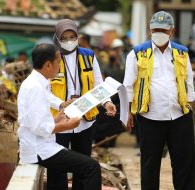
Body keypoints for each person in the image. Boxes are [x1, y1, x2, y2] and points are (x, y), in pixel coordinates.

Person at [123, 11, 195, 190]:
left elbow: (188, 82)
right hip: (150, 117)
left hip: (180, 116)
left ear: (171, 30)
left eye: (163, 30)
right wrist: (127, 112)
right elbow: (127, 86)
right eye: (156, 29)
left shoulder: (182, 52)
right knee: (149, 164)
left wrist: (191, 107)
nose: (159, 33)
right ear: (149, 31)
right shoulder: (137, 53)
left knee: (184, 164)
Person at [17, 43, 101, 190]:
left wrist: (57, 119)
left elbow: (36, 121)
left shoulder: (38, 82)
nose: (60, 65)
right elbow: (39, 128)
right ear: (48, 65)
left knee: (86, 165)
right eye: (58, 62)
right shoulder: (35, 87)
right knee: (91, 166)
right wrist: (67, 125)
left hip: (42, 146)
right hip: (39, 150)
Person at [48, 19, 116, 190]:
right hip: (60, 121)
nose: (70, 41)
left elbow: (98, 84)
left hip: (85, 119)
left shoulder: (88, 55)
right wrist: (61, 103)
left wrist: (106, 102)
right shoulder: (50, 57)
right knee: (57, 166)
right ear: (57, 38)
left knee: (83, 164)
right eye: (65, 38)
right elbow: (43, 91)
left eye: (73, 37)